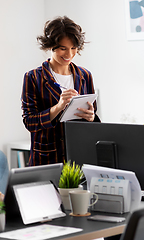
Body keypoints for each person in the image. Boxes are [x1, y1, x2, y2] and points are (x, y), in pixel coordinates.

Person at [21, 16, 100, 166]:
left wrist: (91, 118)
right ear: (50, 46)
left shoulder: (85, 75)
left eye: (73, 48)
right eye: (63, 48)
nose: (69, 54)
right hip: (47, 159)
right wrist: (58, 107)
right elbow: (30, 122)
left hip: (79, 156)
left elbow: (92, 117)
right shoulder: (33, 77)